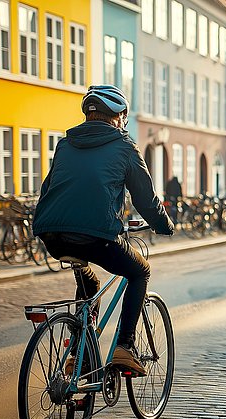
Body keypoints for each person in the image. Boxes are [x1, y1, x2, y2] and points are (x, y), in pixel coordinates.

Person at [33, 85, 174, 377]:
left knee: (90, 284)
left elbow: (48, 189)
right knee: (139, 272)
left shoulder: (64, 144)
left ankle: (77, 356)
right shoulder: (124, 146)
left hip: (52, 234)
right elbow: (145, 200)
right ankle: (125, 346)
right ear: (120, 115)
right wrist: (164, 225)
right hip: (96, 236)